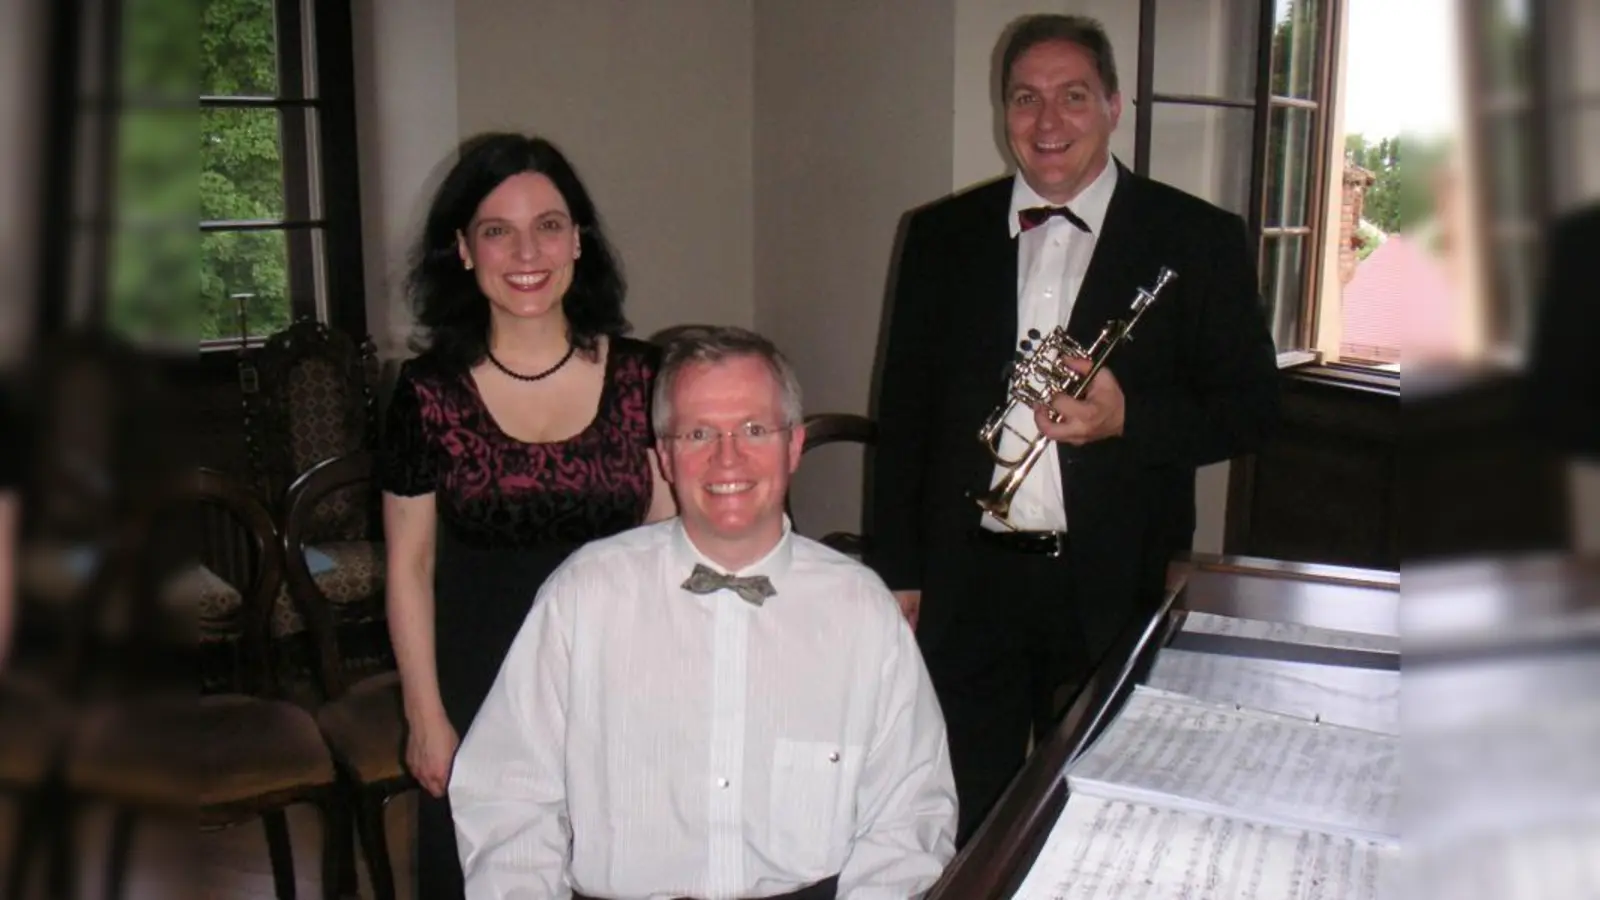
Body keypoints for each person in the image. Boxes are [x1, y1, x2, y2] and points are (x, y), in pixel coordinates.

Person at [868, 14, 1279, 844]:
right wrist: (897, 572)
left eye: (1073, 96)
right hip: (967, 580)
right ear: (1003, 110)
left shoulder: (1196, 238)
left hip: (1112, 580)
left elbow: (1253, 408)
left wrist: (1132, 417)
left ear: (1113, 106)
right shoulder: (940, 235)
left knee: (1101, 804)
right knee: (957, 806)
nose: (1047, 122)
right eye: (1026, 99)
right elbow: (905, 413)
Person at [450, 326, 957, 899]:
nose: (727, 457)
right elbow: (508, 794)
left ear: (793, 446)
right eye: (698, 433)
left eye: (753, 429)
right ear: (665, 456)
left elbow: (910, 814)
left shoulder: (861, 612)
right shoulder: (586, 595)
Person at [381, 132, 676, 898]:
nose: (526, 251)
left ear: (579, 239)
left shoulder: (646, 376)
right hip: (480, 684)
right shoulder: (425, 392)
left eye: (548, 224)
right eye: (496, 230)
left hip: (616, 683)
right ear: (463, 249)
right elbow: (409, 567)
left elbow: (671, 551)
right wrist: (424, 714)